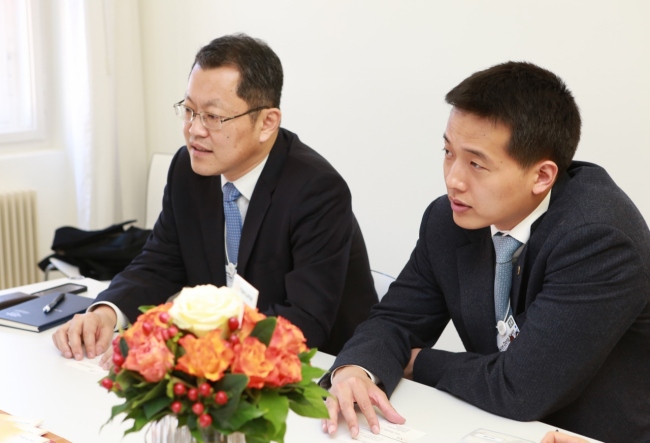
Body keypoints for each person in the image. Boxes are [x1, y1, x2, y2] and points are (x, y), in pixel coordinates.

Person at [322, 62, 650, 443]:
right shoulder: (448, 220)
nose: (453, 179)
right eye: (448, 152)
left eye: (476, 163)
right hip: (490, 426)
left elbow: (521, 388)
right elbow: (397, 319)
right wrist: (355, 368)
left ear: (542, 176)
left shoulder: (599, 240)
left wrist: (418, 361)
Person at [52, 33, 377, 362]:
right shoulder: (187, 170)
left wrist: (185, 346)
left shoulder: (316, 190)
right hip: (225, 370)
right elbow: (159, 264)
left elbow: (306, 322)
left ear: (267, 123)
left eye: (213, 116)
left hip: (325, 371)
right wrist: (106, 313)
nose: (194, 130)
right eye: (189, 110)